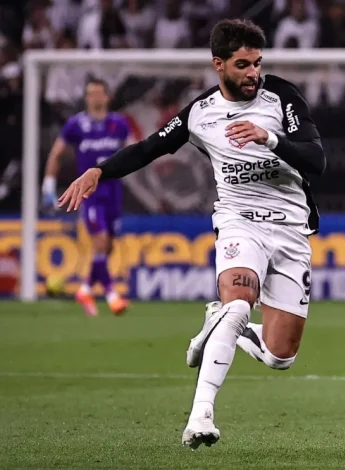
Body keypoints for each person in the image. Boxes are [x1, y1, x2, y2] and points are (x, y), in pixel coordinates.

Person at [57, 18, 326, 450]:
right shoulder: (200, 113)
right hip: (239, 221)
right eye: (243, 65)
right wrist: (99, 171)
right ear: (218, 65)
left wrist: (269, 138)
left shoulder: (283, 97)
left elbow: (317, 160)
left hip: (292, 229)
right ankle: (200, 415)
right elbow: (150, 148)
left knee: (280, 356)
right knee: (238, 301)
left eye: (258, 63)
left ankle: (217, 323)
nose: (253, 73)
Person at [42, 78, 131, 316]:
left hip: (114, 191)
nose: (94, 98)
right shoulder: (76, 125)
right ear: (86, 97)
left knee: (108, 246)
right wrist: (48, 186)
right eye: (90, 93)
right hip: (89, 193)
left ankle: (85, 289)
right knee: (100, 241)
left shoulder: (119, 124)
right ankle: (112, 295)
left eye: (99, 93)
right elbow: (57, 154)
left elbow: (133, 152)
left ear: (107, 96)